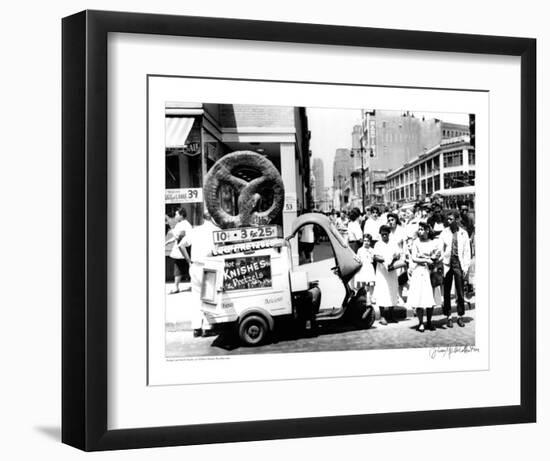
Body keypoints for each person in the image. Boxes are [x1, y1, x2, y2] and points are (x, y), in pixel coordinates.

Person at [188, 211, 221, 337]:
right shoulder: (216, 230)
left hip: (195, 265)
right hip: (209, 265)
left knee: (196, 298)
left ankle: (196, 328)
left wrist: (188, 261)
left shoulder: (195, 230)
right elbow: (219, 248)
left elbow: (181, 244)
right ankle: (208, 327)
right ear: (213, 218)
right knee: (208, 297)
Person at [441, 211, 471, 328]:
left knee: (460, 291)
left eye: (451, 219)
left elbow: (467, 251)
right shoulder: (444, 233)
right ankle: (448, 316)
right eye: (447, 219)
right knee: (447, 291)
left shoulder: (464, 233)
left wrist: (466, 266)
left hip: (459, 263)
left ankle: (460, 316)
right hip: (447, 263)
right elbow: (441, 249)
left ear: (457, 220)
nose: (448, 221)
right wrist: (442, 262)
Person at [407, 222, 439, 332]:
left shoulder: (433, 243)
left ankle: (429, 322)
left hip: (430, 271)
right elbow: (414, 258)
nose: (420, 231)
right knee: (419, 298)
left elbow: (437, 256)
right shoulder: (416, 242)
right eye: (419, 229)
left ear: (427, 230)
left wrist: (434, 258)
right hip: (419, 271)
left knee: (429, 297)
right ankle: (421, 322)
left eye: (422, 229)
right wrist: (426, 259)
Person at [373, 225, 400, 325]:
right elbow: (375, 257)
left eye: (386, 234)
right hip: (382, 272)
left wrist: (396, 257)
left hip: (392, 271)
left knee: (392, 291)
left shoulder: (393, 243)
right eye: (382, 234)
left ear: (389, 234)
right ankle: (382, 316)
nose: (384, 236)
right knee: (382, 292)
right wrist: (385, 261)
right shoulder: (377, 244)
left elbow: (398, 254)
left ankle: (391, 315)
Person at [168, 207, 193, 294]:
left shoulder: (184, 225)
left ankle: (177, 287)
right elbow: (177, 237)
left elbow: (180, 236)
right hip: (180, 249)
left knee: (185, 267)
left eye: (176, 214)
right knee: (179, 267)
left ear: (181, 215)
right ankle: (176, 287)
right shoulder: (180, 224)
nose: (175, 216)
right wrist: (167, 242)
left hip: (184, 249)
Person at [355, 234, 376, 309]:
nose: (366, 242)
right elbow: (358, 259)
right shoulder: (360, 250)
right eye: (365, 240)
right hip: (363, 267)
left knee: (371, 284)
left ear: (370, 242)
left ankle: (372, 297)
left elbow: (373, 258)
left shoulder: (372, 250)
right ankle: (367, 300)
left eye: (368, 241)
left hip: (369, 267)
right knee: (365, 284)